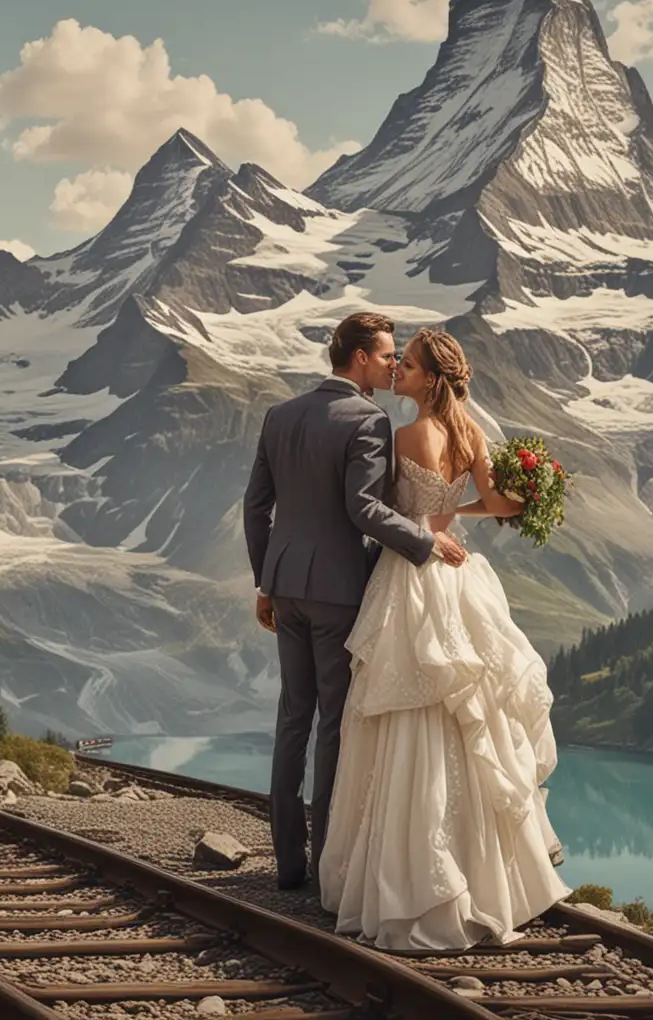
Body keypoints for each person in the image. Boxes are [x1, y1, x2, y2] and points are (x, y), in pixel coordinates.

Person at [317, 327, 568, 951]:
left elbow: (374, 508)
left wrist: (426, 525)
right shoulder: (471, 434)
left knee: (406, 711)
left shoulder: (401, 435)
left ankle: (409, 880)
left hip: (411, 572)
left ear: (430, 378)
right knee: (471, 715)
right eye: (395, 361)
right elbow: (502, 505)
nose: (397, 368)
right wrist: (457, 515)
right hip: (461, 571)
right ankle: (484, 880)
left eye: (408, 365)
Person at [243, 311, 468, 892]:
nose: (395, 364)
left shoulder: (280, 415)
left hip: (286, 587)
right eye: (389, 355)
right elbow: (363, 509)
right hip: (340, 593)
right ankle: (326, 871)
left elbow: (255, 509)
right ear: (361, 357)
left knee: (292, 720)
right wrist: (426, 541)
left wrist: (266, 581)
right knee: (335, 727)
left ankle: (287, 865)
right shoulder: (367, 421)